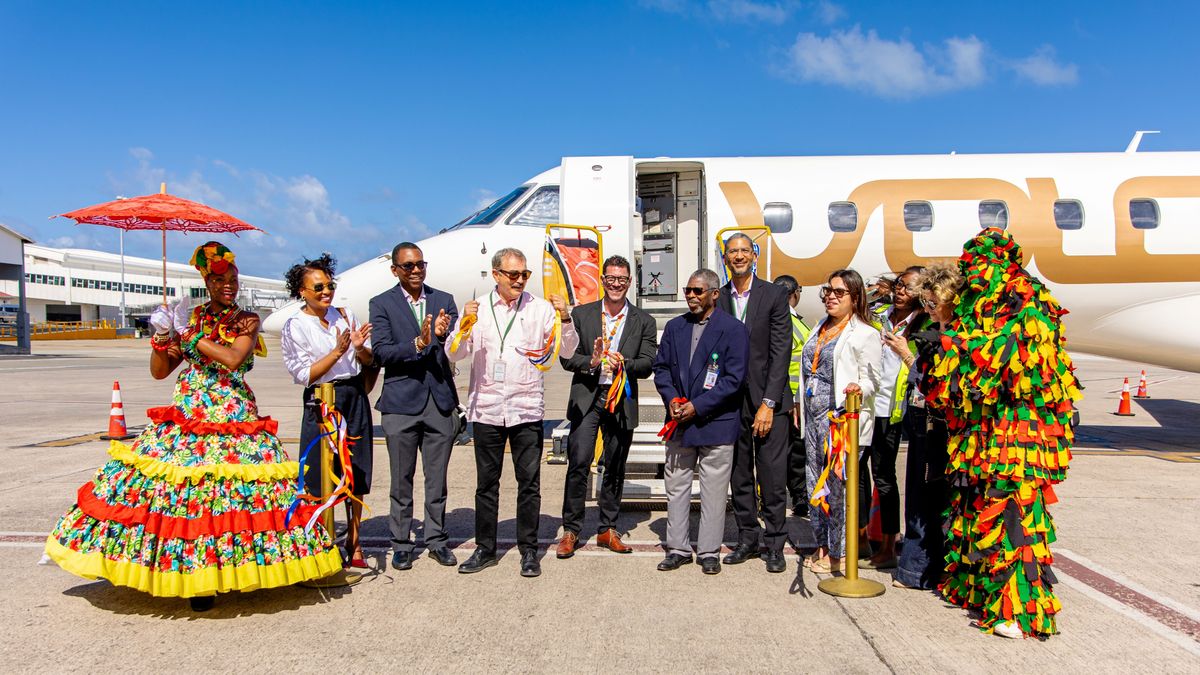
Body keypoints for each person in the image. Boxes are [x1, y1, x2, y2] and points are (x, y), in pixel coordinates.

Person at [44, 242, 342, 612]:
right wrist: (163, 336)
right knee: (187, 495)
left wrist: (189, 335)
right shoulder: (192, 317)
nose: (228, 285)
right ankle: (195, 578)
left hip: (233, 414)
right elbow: (160, 371)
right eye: (220, 280)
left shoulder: (246, 320)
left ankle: (234, 567)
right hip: (189, 411)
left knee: (234, 496)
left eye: (232, 278)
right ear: (206, 281)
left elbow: (233, 359)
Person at [924, 228, 1081, 639]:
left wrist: (952, 344)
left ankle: (1019, 610)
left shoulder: (1026, 302)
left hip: (1020, 435)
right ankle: (977, 589)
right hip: (981, 433)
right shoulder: (978, 304)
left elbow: (1007, 359)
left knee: (1015, 515)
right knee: (974, 512)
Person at [447, 247, 578, 577]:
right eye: (513, 274)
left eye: (525, 274)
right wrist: (463, 326)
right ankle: (485, 548)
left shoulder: (540, 309)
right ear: (496, 275)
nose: (520, 280)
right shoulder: (478, 309)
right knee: (486, 485)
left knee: (529, 484)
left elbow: (568, 349)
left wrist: (565, 318)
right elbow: (455, 352)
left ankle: (529, 550)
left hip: (526, 408)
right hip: (487, 408)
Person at [557, 255, 658, 558]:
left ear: (629, 282)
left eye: (622, 280)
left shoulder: (644, 321)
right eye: (611, 279)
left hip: (620, 400)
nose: (616, 284)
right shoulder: (582, 315)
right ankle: (571, 530)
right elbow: (566, 357)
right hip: (588, 397)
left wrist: (624, 363)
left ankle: (607, 528)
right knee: (578, 463)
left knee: (614, 466)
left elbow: (648, 362)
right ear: (602, 280)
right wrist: (593, 361)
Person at [369, 242, 461, 571]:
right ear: (395, 270)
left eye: (420, 264)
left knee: (437, 480)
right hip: (400, 403)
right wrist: (419, 343)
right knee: (401, 479)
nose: (416, 270)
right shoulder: (381, 304)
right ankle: (401, 542)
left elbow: (455, 347)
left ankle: (436, 539)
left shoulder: (443, 301)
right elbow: (381, 353)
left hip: (438, 401)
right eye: (408, 266)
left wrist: (444, 334)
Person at [280, 253, 375, 569]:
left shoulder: (345, 315)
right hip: (321, 400)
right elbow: (305, 374)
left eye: (330, 285)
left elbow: (366, 361)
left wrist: (359, 348)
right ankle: (322, 543)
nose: (326, 291)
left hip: (352, 394)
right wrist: (337, 352)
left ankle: (355, 542)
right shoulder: (295, 325)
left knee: (357, 469)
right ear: (302, 292)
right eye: (318, 287)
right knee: (321, 472)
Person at [652, 269, 748, 575]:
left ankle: (708, 550)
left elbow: (734, 380)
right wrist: (672, 400)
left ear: (714, 294)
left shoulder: (733, 329)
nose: (691, 296)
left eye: (697, 291)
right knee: (676, 486)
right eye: (688, 290)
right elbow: (662, 368)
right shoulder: (675, 326)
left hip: (715, 422)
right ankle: (677, 547)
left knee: (714, 491)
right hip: (679, 420)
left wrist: (698, 406)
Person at [717, 234, 793, 573]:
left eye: (744, 251)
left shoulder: (774, 295)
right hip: (732, 404)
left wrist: (768, 402)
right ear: (725, 257)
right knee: (739, 476)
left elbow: (781, 353)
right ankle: (747, 538)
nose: (738, 256)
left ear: (754, 255)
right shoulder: (717, 297)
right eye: (733, 251)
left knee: (773, 476)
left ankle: (774, 543)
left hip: (768, 402)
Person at [799, 269, 882, 575]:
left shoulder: (865, 334)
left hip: (841, 425)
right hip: (813, 422)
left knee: (838, 489)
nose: (830, 297)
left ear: (855, 297)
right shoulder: (820, 326)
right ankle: (821, 543)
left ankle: (840, 553)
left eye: (839, 293)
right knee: (814, 484)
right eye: (828, 291)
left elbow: (873, 380)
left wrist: (859, 389)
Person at [860, 265, 925, 570]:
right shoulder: (882, 315)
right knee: (858, 474)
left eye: (909, 287)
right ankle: (860, 537)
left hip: (892, 409)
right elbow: (860, 304)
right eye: (899, 285)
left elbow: (921, 369)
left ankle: (888, 544)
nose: (901, 291)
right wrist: (878, 291)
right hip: (866, 405)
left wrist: (904, 351)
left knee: (884, 477)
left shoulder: (922, 326)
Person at [891, 262, 951, 591]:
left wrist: (908, 356)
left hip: (938, 426)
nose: (926, 306)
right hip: (920, 420)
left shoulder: (950, 336)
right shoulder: (927, 327)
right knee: (918, 496)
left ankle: (923, 569)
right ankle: (916, 567)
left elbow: (938, 381)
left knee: (930, 498)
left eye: (931, 301)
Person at [773, 274, 811, 518]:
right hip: (792, 399)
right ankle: (799, 496)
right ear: (794, 293)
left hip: (790, 397)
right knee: (794, 453)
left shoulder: (788, 319)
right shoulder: (789, 320)